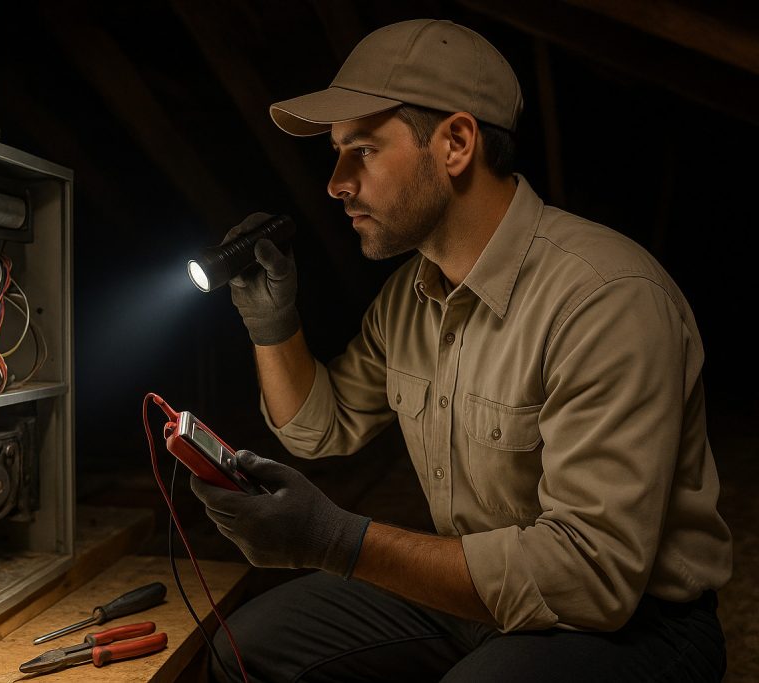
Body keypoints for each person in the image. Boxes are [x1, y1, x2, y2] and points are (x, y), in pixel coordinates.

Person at [188, 18, 733, 683]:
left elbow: (593, 577)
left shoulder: (605, 297)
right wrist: (273, 326)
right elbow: (318, 428)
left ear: (455, 142)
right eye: (335, 153)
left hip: (637, 624)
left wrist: (334, 538)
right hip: (476, 597)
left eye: (360, 149)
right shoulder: (408, 299)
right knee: (244, 650)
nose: (335, 182)